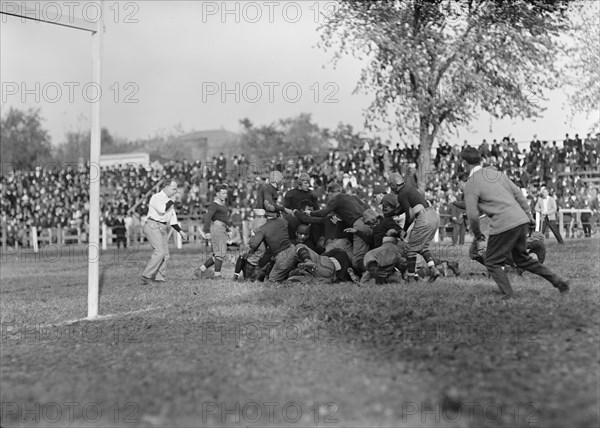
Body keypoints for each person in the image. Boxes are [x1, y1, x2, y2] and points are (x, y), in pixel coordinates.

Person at [462, 147, 569, 297]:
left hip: (502, 223)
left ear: (465, 164)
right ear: (480, 160)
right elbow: (518, 194)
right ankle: (558, 281)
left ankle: (509, 294)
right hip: (520, 219)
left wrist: (478, 234)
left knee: (492, 262)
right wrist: (529, 217)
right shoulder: (497, 174)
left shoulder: (471, 183)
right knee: (523, 260)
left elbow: (472, 215)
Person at [384, 172, 441, 282]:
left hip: (424, 218)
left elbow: (410, 215)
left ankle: (410, 277)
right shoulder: (408, 188)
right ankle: (434, 270)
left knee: (410, 250)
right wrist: (385, 215)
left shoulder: (402, 194)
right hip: (433, 215)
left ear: (393, 184)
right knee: (423, 247)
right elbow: (400, 209)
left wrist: (403, 231)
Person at [310, 182, 370, 274]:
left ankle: (372, 276)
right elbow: (366, 207)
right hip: (367, 223)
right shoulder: (351, 197)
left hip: (358, 225)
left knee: (357, 259)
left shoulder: (337, 199)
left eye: (328, 194)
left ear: (330, 192)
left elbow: (323, 213)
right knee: (362, 255)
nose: (328, 196)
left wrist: (310, 213)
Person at [141, 180, 188, 284]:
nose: (175, 191)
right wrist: (172, 201)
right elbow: (162, 210)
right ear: (166, 187)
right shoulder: (156, 197)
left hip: (162, 227)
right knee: (160, 252)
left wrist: (180, 231)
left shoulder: (169, 201)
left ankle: (159, 278)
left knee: (165, 254)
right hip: (153, 225)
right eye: (173, 189)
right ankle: (147, 275)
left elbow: (173, 219)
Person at [248, 211, 297, 282]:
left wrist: (253, 235)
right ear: (277, 214)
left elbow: (253, 245)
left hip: (282, 257)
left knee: (272, 280)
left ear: (265, 216)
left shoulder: (262, 229)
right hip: (293, 250)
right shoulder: (283, 221)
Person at [195, 183, 230, 279]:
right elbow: (207, 218)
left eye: (226, 193)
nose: (225, 195)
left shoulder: (222, 204)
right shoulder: (214, 205)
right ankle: (217, 275)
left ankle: (200, 270)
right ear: (217, 194)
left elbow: (224, 218)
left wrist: (228, 229)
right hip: (217, 229)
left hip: (222, 229)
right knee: (220, 252)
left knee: (219, 253)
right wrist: (206, 231)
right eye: (223, 193)